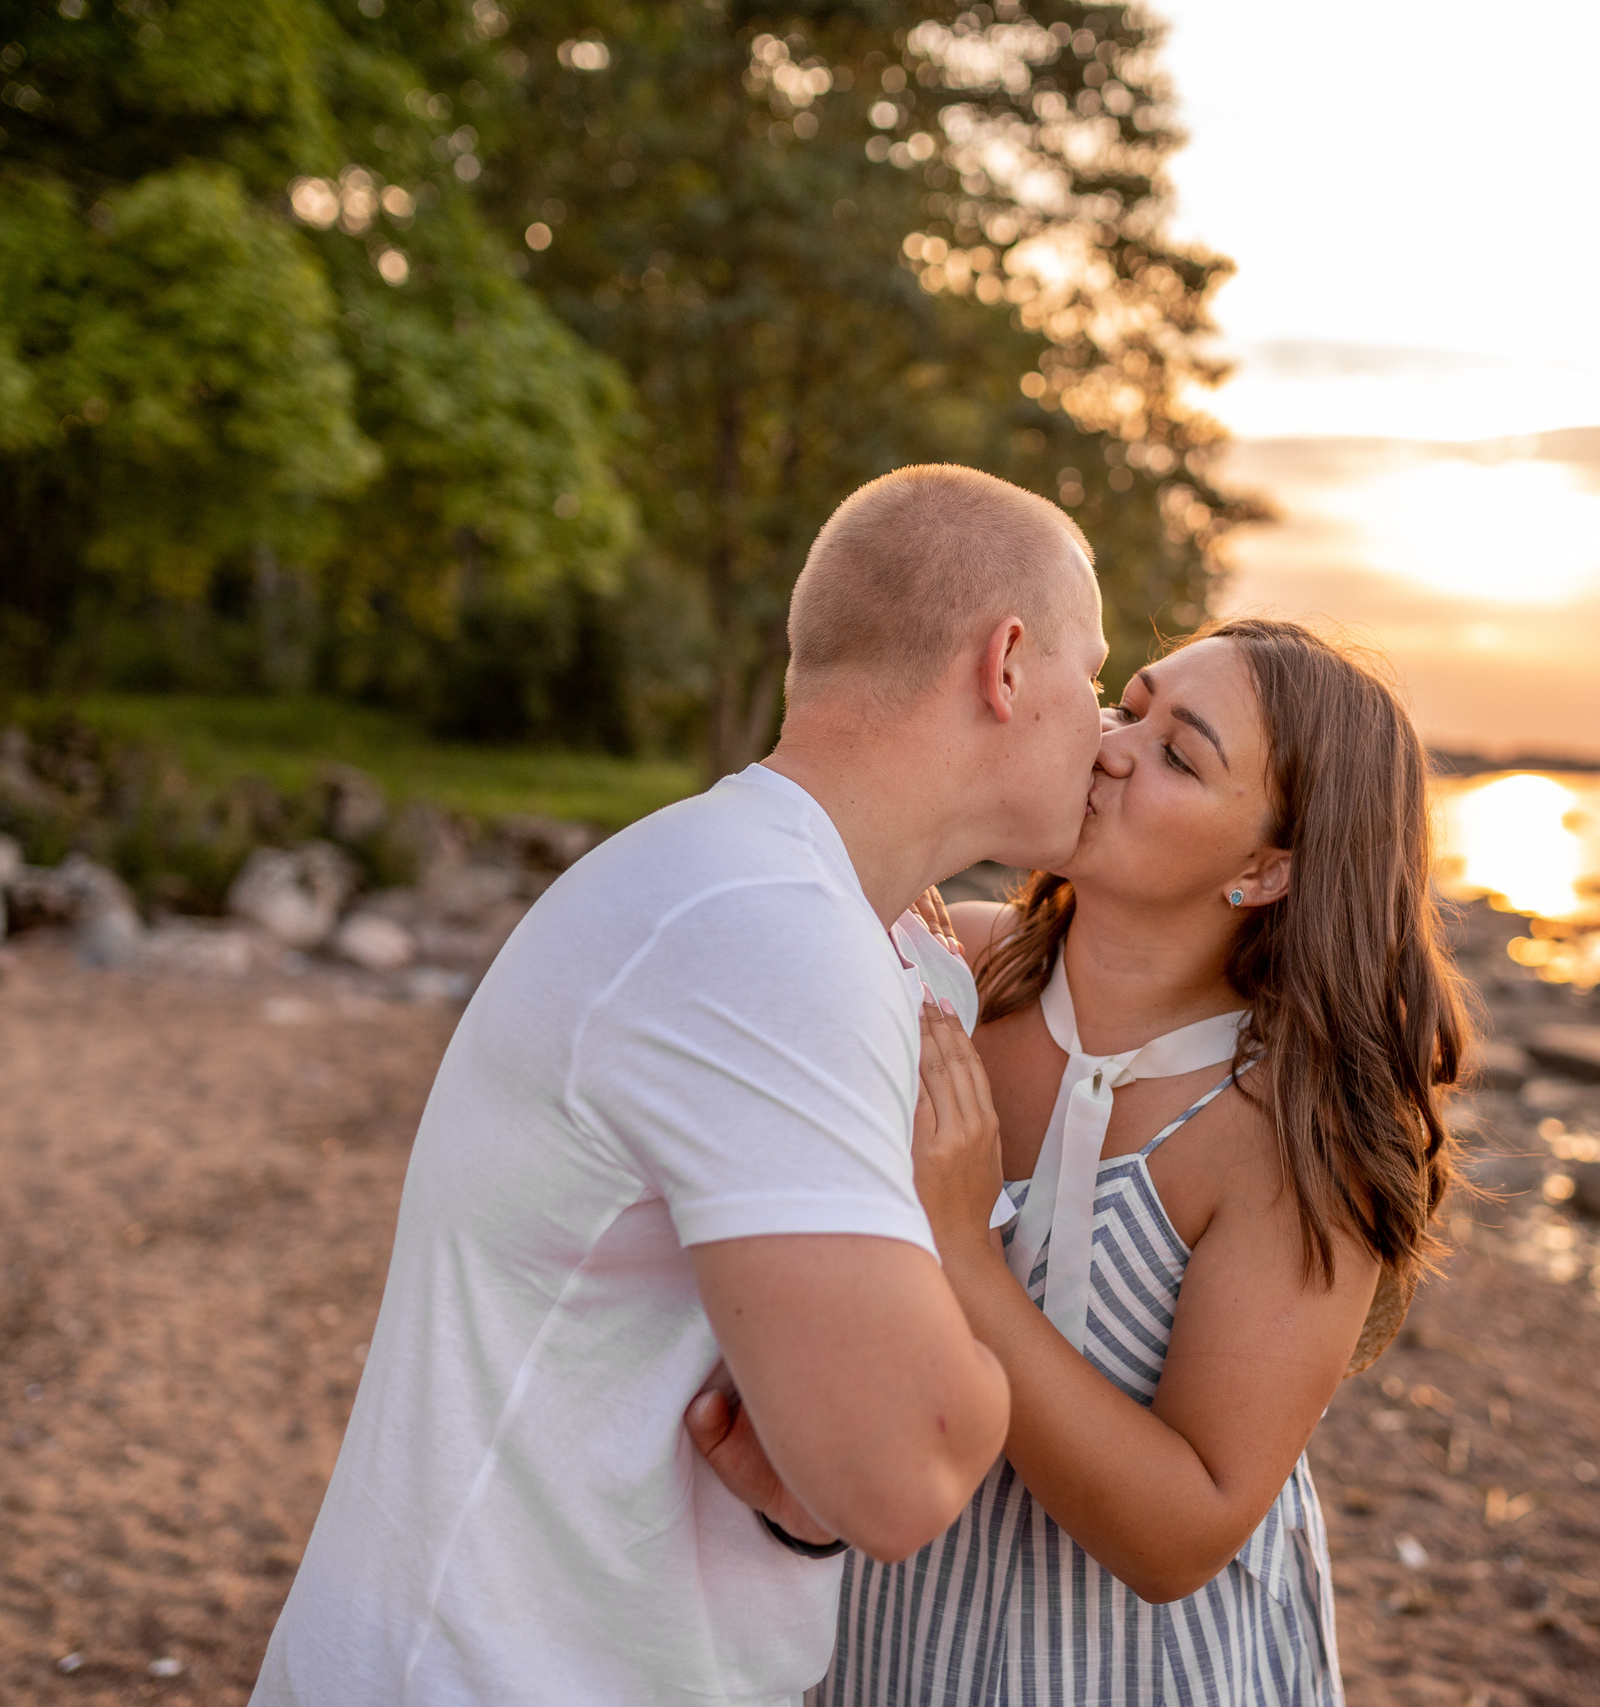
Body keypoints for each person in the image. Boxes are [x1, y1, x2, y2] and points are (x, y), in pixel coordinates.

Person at [251, 465, 1111, 1707]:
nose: (1105, 733)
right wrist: (950, 1241)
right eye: (1092, 679)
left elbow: (814, 1469)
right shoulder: (761, 931)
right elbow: (906, 1471)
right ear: (1009, 663)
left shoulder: (845, 925)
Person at [696, 617, 1471, 1705]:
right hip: (884, 1639)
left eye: (1176, 753)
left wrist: (968, 1258)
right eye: (1131, 705)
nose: (1110, 744)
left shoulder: (1291, 1139)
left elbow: (1184, 1536)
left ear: (1265, 868)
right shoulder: (946, 972)